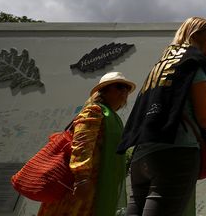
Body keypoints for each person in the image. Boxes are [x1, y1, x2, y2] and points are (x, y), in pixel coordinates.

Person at [118, 17, 206, 216]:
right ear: (195, 36)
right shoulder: (193, 62)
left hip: (141, 155)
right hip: (176, 153)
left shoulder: (161, 64)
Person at [38, 71, 136, 216]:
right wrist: (82, 177)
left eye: (126, 89)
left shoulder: (113, 117)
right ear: (104, 91)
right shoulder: (94, 111)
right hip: (81, 184)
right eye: (119, 87)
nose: (124, 92)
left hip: (97, 185)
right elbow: (82, 144)